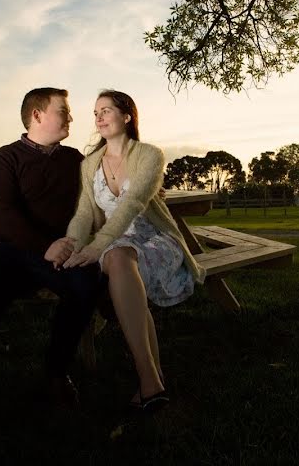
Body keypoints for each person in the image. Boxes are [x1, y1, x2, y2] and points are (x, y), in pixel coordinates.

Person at [0, 87, 105, 459]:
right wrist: (43, 246)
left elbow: (98, 196)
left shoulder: (74, 160)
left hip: (59, 253)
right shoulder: (6, 157)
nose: (70, 117)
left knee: (86, 284)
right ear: (37, 115)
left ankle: (55, 373)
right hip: (8, 254)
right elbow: (4, 213)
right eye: (62, 111)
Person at [59, 90, 206, 414]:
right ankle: (153, 382)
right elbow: (85, 214)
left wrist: (97, 247)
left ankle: (149, 381)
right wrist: (71, 243)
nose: (98, 117)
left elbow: (131, 206)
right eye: (95, 111)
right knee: (119, 257)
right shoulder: (90, 165)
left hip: (154, 238)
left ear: (127, 117)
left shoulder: (150, 156)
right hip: (115, 244)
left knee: (117, 255)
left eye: (106, 110)